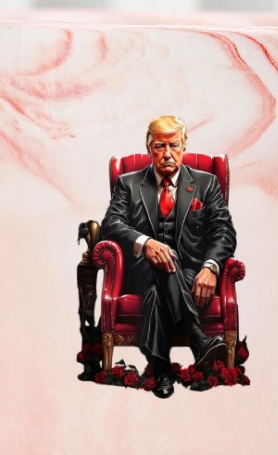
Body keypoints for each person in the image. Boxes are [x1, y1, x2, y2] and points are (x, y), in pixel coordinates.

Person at [101, 116, 237, 398]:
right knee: (161, 260)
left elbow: (224, 231)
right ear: (149, 149)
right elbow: (111, 224)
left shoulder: (206, 183)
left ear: (184, 147)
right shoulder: (128, 184)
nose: (167, 154)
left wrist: (211, 267)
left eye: (173, 145)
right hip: (139, 271)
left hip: (189, 273)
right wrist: (146, 243)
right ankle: (198, 339)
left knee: (156, 292)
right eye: (159, 146)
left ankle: (161, 370)